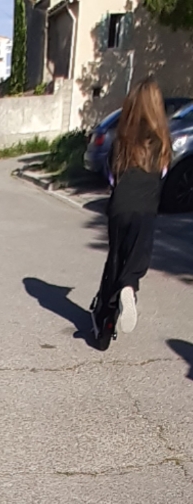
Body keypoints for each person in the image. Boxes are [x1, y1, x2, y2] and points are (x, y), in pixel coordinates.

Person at [91, 76, 171, 351]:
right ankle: (129, 289)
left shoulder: (122, 140)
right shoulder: (162, 143)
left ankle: (104, 323)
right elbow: (163, 174)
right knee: (135, 260)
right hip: (145, 210)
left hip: (119, 208)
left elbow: (111, 177)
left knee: (115, 259)